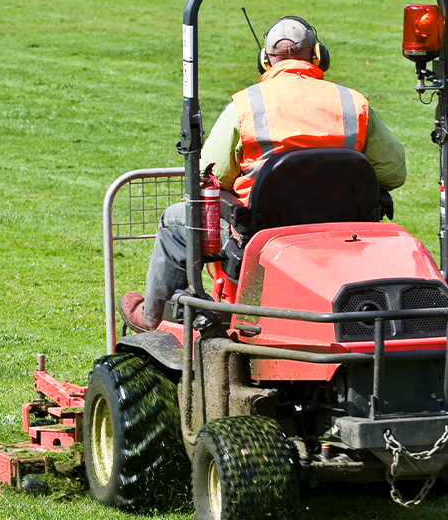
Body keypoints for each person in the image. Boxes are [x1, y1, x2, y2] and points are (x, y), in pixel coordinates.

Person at [120, 16, 407, 331]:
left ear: (265, 61)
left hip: (262, 237)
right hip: (342, 236)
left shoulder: (246, 106)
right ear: (317, 55)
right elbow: (393, 171)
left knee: (175, 220)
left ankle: (156, 319)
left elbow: (206, 174)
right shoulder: (353, 103)